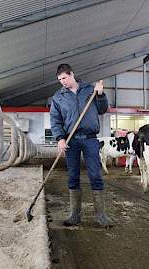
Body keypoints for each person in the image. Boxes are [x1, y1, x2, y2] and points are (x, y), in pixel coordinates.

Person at [50, 64, 112, 227]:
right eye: (59, 79)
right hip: (71, 140)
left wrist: (100, 94)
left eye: (64, 78)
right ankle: (75, 216)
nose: (62, 81)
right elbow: (55, 120)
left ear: (72, 74)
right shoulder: (58, 97)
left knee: (95, 175)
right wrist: (60, 139)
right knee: (73, 176)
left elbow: (103, 109)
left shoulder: (89, 89)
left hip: (90, 139)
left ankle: (101, 216)